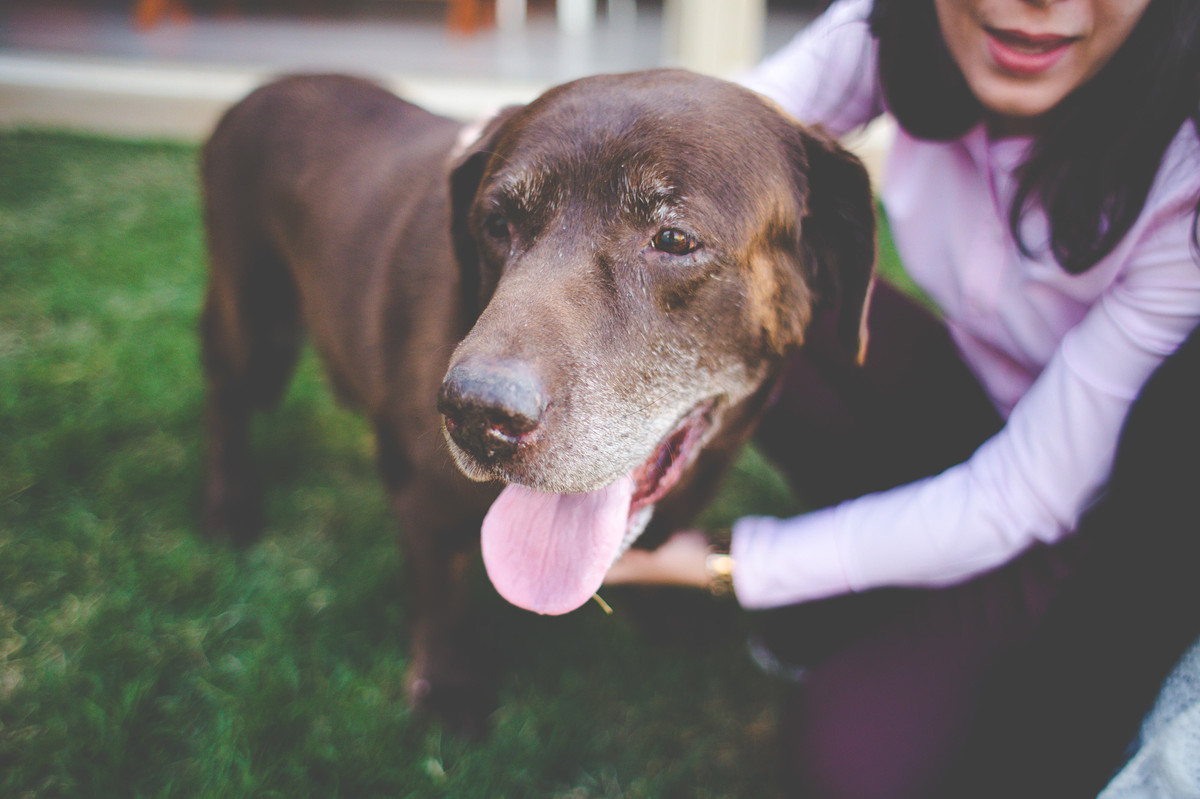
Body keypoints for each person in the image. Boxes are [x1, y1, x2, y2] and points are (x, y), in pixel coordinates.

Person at [604, 0, 1200, 796]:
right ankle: (863, 580)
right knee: (756, 283)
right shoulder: (891, 27)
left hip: (1088, 517)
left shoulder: (1184, 176)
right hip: (960, 399)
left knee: (848, 764)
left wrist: (724, 561)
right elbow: (697, 147)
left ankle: (861, 596)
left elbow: (1027, 495)